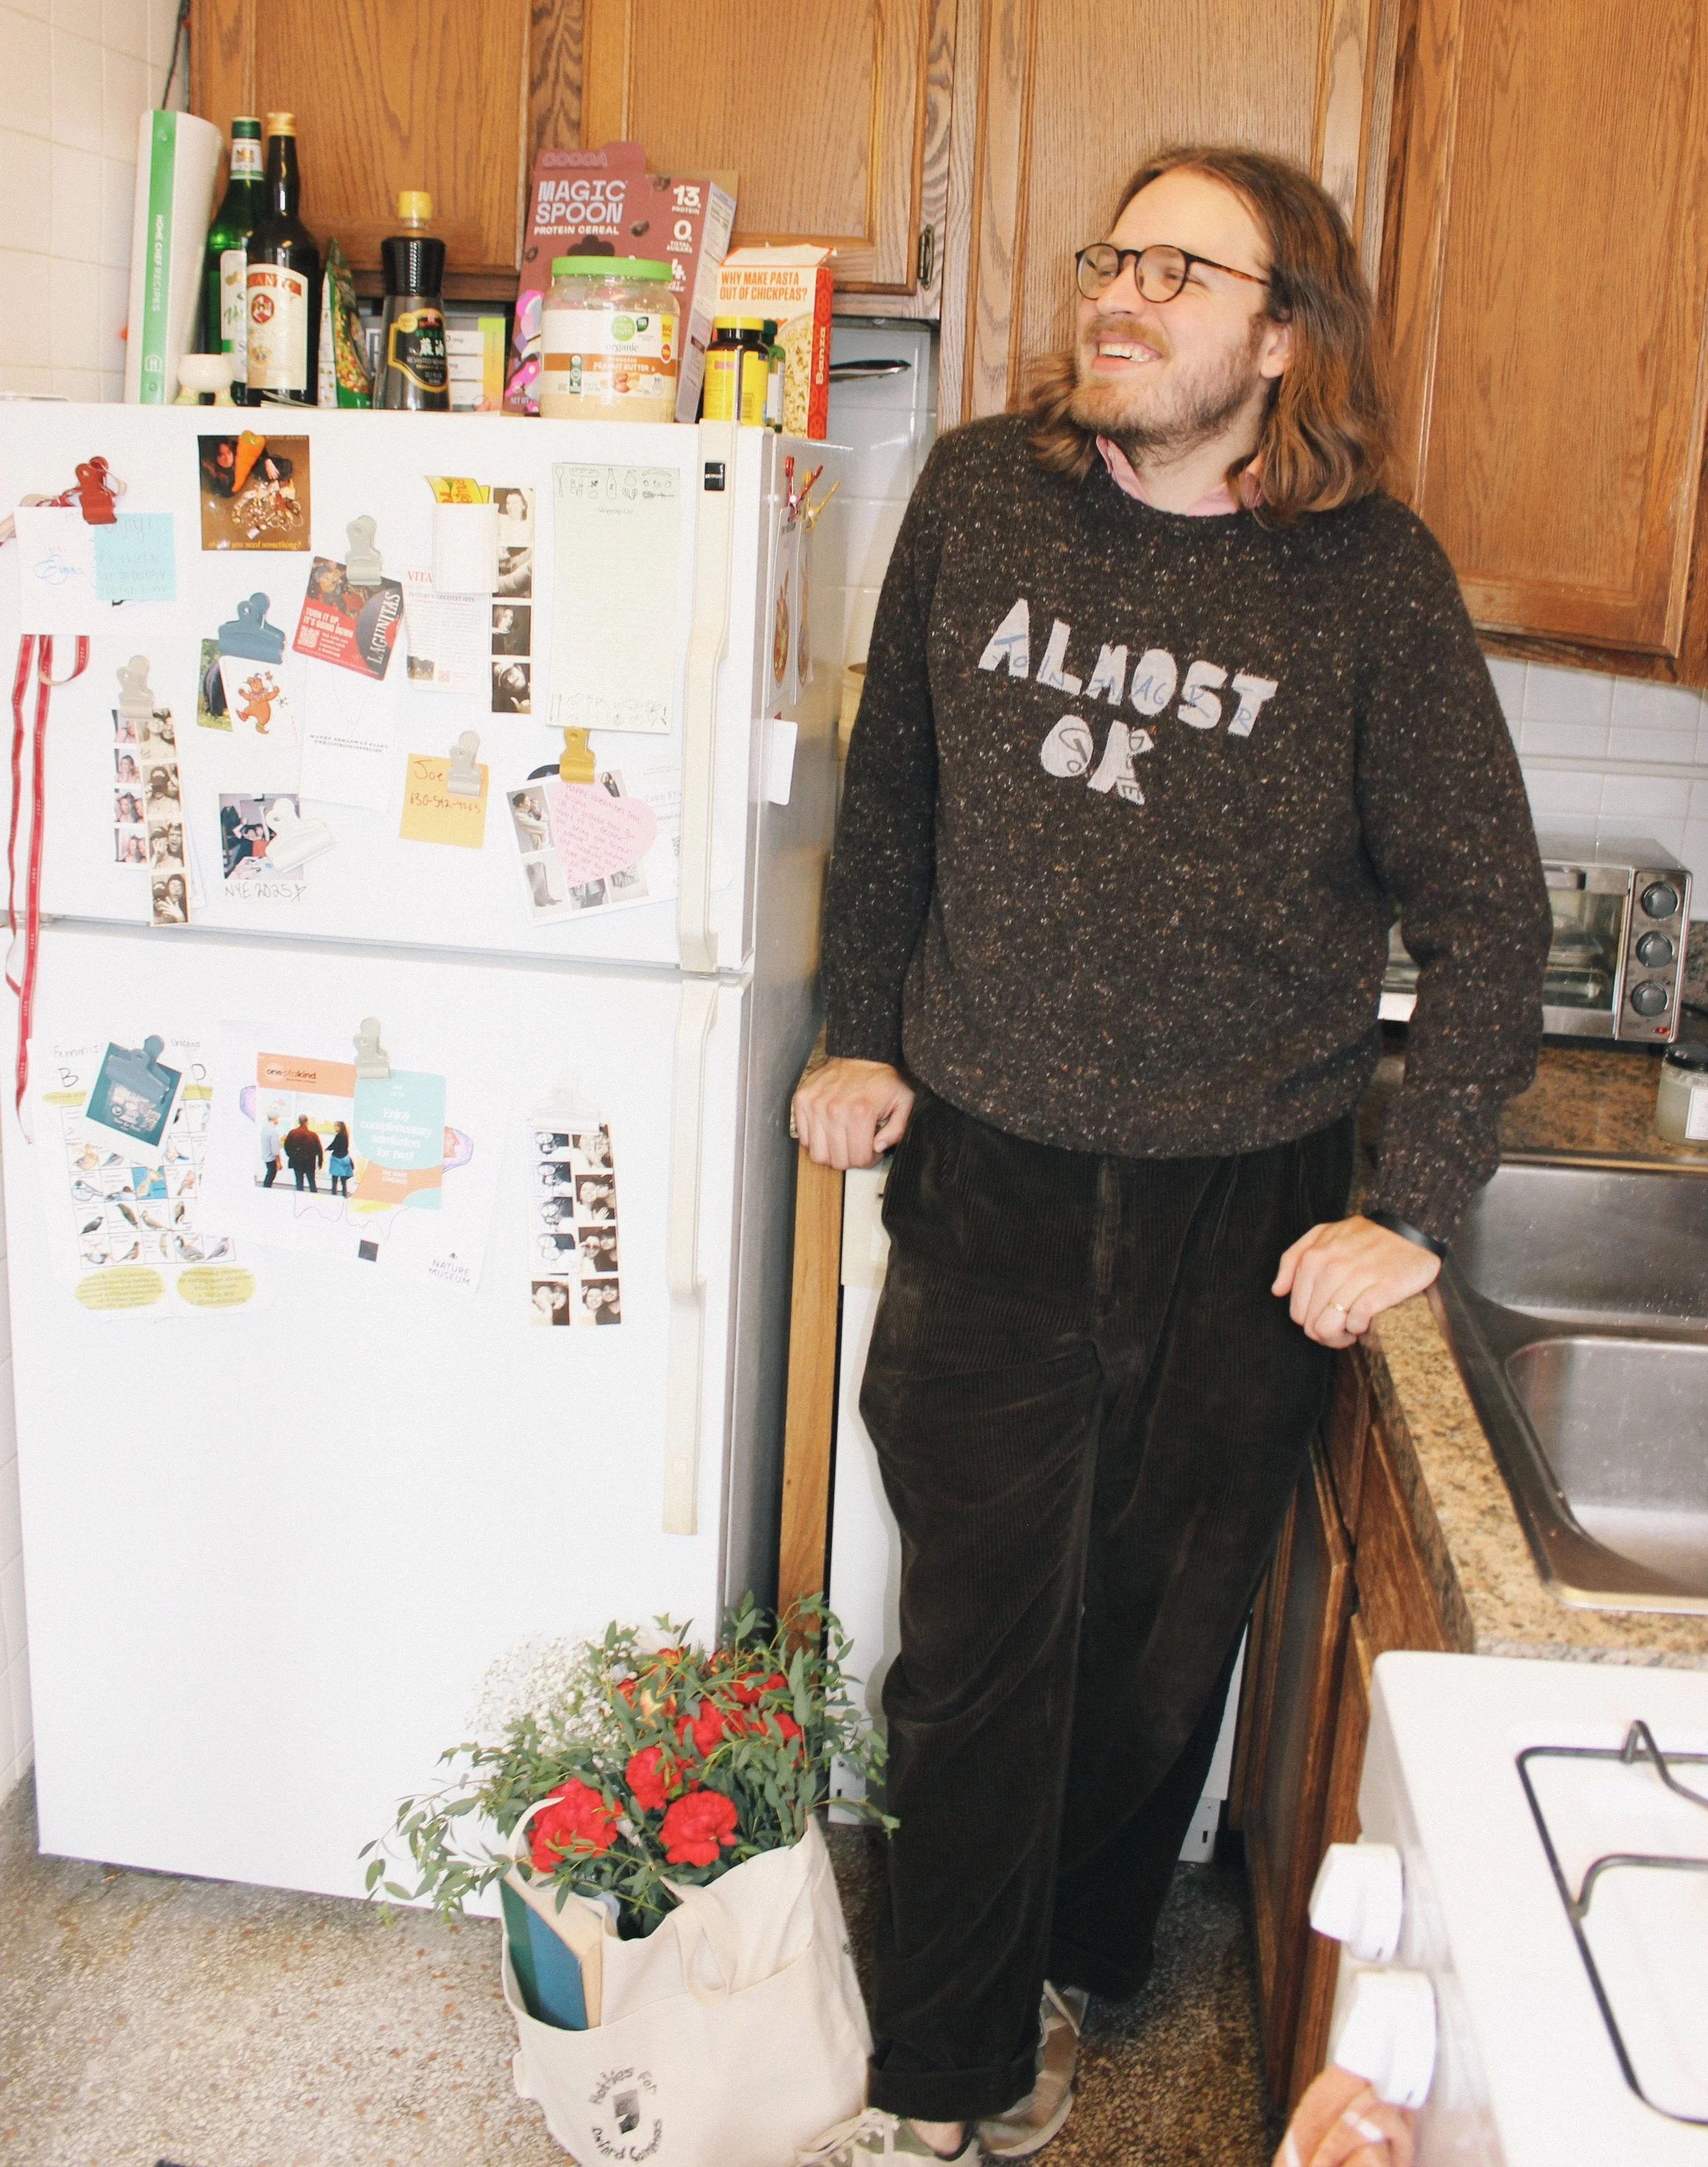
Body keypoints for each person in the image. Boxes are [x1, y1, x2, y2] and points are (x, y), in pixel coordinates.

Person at [792, 144, 1550, 2167]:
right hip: (994, 1171)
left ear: (1280, 331)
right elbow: (891, 808)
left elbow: (1484, 905)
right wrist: (854, 1030)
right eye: (1108, 256)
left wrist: (1411, 1206)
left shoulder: (1363, 579)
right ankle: (945, 2071)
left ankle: (1075, 1958)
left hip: (1244, 1189)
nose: (1115, 295)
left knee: (1152, 1649)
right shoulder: (976, 493)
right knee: (970, 1647)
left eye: (1176, 271)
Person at [283, 1115, 322, 1193]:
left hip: (297, 1162)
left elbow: (286, 1146)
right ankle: (314, 1200)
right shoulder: (313, 1135)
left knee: (299, 1182)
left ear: (299, 1122)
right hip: (310, 1162)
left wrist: (291, 1156)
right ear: (307, 1122)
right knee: (312, 1182)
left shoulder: (292, 1133)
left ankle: (300, 1200)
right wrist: (320, 1162)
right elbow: (319, 1150)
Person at [327, 1122, 353, 1198]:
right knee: (343, 1181)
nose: (335, 1128)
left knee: (334, 1180)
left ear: (339, 1127)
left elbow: (333, 1145)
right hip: (344, 1159)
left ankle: (334, 1196)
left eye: (336, 1127)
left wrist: (328, 1149)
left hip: (336, 1160)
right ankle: (344, 1196)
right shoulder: (346, 1136)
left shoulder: (339, 1136)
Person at [259, 1114, 282, 1188]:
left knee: (269, 1174)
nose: (278, 1120)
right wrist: (278, 1162)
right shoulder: (273, 1131)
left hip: (266, 1156)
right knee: (271, 1175)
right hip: (271, 1158)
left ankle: (265, 1188)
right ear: (274, 1119)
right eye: (277, 1118)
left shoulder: (265, 1128)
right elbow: (275, 1149)